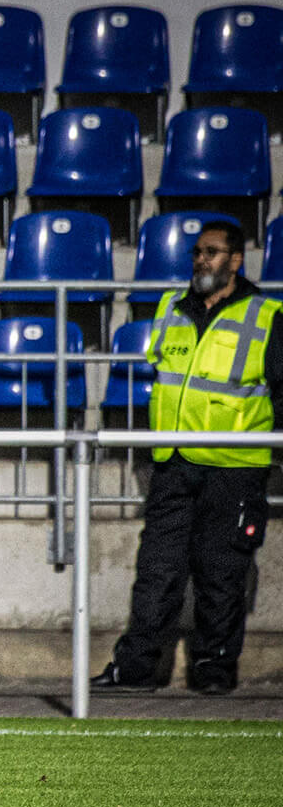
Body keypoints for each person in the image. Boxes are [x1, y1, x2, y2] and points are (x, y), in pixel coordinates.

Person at [93, 222, 283, 695]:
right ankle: (136, 670)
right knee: (157, 570)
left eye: (213, 253)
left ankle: (213, 673)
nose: (201, 260)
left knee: (221, 573)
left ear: (236, 260)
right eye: (198, 252)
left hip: (234, 466)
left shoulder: (268, 315)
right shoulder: (170, 307)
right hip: (174, 461)